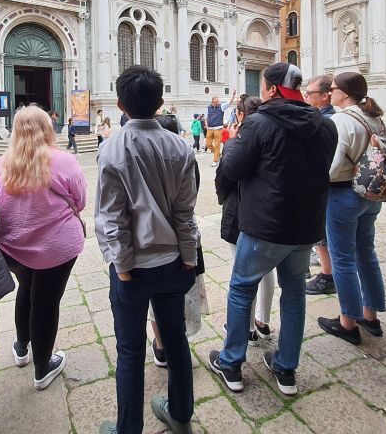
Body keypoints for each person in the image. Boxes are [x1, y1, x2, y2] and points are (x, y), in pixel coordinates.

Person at [208, 63, 337, 397]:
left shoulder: (259, 123)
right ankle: (285, 368)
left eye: (265, 86)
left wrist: (235, 142)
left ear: (274, 89)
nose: (263, 91)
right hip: (306, 227)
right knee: (293, 294)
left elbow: (233, 168)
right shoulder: (325, 126)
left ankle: (231, 363)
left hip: (265, 226)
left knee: (241, 289)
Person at [96, 65, 200, 434]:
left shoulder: (111, 149)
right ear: (160, 103)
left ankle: (129, 429)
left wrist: (122, 267)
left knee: (130, 350)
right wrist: (189, 258)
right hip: (174, 263)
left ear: (121, 104)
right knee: (175, 338)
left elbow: (112, 218)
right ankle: (181, 413)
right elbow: (185, 214)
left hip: (133, 268)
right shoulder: (180, 146)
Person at [0, 105, 86, 390]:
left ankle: (22, 348)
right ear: (48, 129)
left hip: (13, 248)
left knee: (27, 290)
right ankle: (43, 366)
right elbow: (79, 201)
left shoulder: (1, 163)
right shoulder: (64, 161)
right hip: (56, 250)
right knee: (46, 302)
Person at [317, 72, 386, 346]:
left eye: (333, 89)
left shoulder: (341, 120)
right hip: (371, 194)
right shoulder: (375, 119)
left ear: (344, 93)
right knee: (367, 254)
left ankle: (348, 322)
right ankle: (370, 316)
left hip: (343, 195)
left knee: (344, 259)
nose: (330, 92)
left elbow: (334, 167)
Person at [149, 114, 209, 368]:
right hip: (185, 235)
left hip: (154, 237)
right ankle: (178, 342)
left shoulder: (147, 159)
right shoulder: (187, 158)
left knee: (156, 296)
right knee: (185, 290)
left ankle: (161, 347)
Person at [216, 94, 274, 343]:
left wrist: (230, 141)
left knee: (242, 272)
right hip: (268, 213)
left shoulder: (240, 142)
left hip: (240, 212)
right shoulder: (273, 137)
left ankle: (247, 328)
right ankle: (263, 321)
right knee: (265, 269)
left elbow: (224, 179)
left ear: (240, 116)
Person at [303, 75, 337, 295]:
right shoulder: (324, 117)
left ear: (325, 96)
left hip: (325, 187)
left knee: (322, 233)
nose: (306, 97)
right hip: (324, 185)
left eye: (310, 93)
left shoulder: (326, 121)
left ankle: (327, 275)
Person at [204, 90, 237, 167]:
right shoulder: (208, 108)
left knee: (217, 145)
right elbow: (206, 117)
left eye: (218, 101)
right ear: (212, 102)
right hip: (210, 128)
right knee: (208, 144)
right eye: (216, 102)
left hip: (218, 128)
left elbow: (229, 103)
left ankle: (215, 160)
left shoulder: (221, 106)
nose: (217, 103)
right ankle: (218, 154)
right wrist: (207, 126)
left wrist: (233, 95)